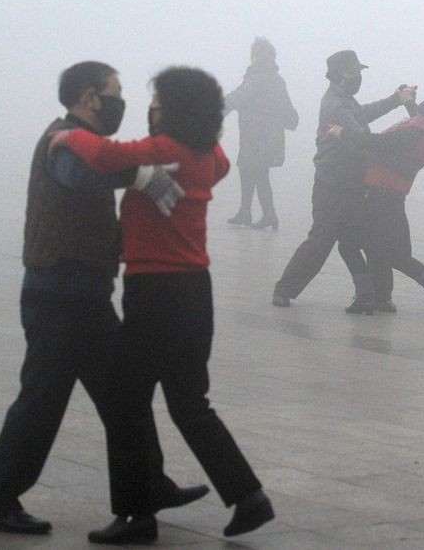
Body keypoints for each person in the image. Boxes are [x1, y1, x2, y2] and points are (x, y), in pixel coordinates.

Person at [0, 62, 207, 535]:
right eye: (114, 93)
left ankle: (149, 484)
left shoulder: (88, 145)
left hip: (86, 298)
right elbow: (78, 176)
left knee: (126, 395)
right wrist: (137, 177)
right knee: (41, 402)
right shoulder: (62, 139)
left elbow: (100, 166)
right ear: (89, 98)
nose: (122, 103)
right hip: (58, 298)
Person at [50, 66, 274, 544]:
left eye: (158, 102)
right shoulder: (205, 153)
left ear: (174, 110)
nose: (150, 107)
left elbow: (106, 155)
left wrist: (66, 137)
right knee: (190, 403)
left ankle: (137, 516)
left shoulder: (164, 150)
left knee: (126, 400)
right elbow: (221, 162)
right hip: (196, 292)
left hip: (155, 293)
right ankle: (248, 497)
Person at [270, 50, 415, 312]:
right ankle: (285, 289)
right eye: (353, 73)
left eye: (360, 72)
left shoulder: (346, 99)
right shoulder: (335, 105)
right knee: (321, 240)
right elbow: (360, 136)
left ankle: (373, 295)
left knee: (359, 239)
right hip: (333, 185)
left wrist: (395, 99)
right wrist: (398, 139)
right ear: (337, 76)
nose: (358, 77)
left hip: (353, 182)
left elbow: (363, 114)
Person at [338, 93, 424, 316]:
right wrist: (404, 98)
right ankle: (423, 292)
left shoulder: (417, 132)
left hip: (381, 196)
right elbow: (415, 115)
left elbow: (378, 143)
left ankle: (369, 296)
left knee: (351, 242)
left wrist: (341, 133)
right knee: (392, 253)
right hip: (391, 196)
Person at [223, 37, 299, 230]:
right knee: (250, 169)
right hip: (262, 134)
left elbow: (240, 96)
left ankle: (267, 214)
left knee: (256, 171)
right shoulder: (273, 77)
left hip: (258, 134)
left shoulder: (259, 76)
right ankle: (247, 212)